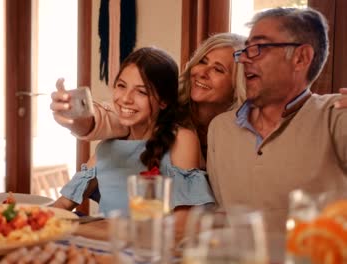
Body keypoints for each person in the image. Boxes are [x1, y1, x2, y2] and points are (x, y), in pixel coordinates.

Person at [206, 6, 347, 244]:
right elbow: (223, 217)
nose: (245, 59)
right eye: (245, 50)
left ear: (301, 58)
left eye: (258, 48)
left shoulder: (335, 114)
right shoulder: (220, 129)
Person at [51, 47, 215, 231]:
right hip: (104, 249)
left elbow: (182, 224)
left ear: (163, 101)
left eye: (141, 92)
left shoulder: (182, 140)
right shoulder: (107, 147)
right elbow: (64, 204)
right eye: (121, 86)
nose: (126, 99)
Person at [51, 33, 248, 166]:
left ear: (236, 83)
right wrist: (74, 114)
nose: (202, 73)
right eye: (202, 61)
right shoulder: (163, 104)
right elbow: (110, 116)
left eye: (218, 69)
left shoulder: (240, 130)